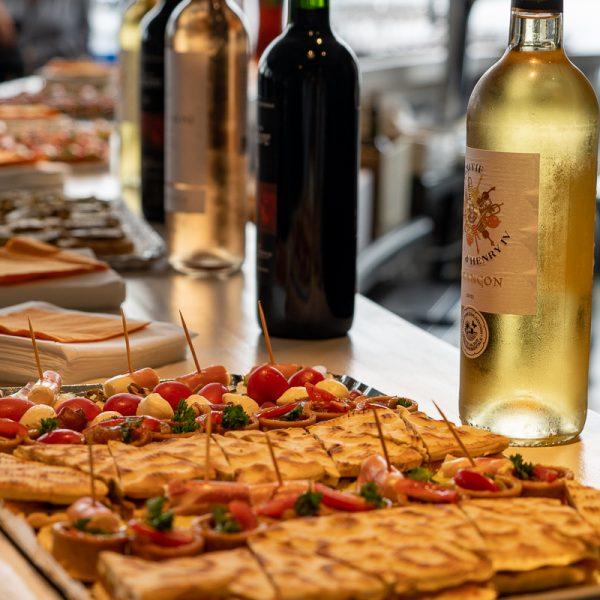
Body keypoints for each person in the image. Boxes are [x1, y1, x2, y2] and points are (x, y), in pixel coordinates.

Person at [0, 0, 89, 77]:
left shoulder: (71, 4)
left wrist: (35, 53)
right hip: (23, 70)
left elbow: (77, 42)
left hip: (65, 70)